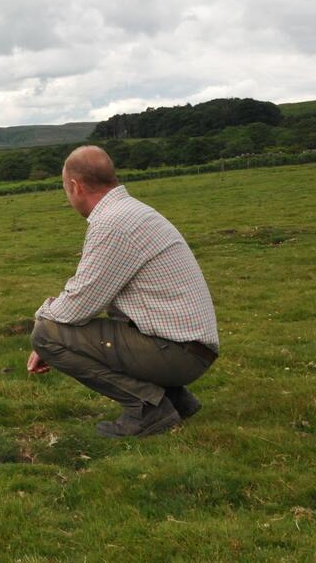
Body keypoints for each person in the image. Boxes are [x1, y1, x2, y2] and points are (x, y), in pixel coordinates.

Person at [27, 145, 219, 438]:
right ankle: (175, 399)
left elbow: (79, 304)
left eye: (66, 189)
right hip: (189, 348)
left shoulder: (112, 223)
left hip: (179, 353)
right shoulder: (132, 211)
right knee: (104, 322)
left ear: (76, 186)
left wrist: (45, 331)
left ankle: (148, 408)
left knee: (45, 333)